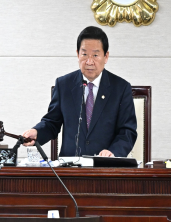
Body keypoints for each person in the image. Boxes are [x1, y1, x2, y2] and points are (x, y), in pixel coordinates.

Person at [22, 26, 137, 157]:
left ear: (106, 56)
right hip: (69, 166)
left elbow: (127, 131)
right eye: (84, 54)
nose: (89, 61)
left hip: (105, 165)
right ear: (78, 54)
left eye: (95, 55)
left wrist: (113, 152)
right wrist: (37, 132)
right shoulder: (64, 84)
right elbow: (52, 122)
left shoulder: (121, 88)